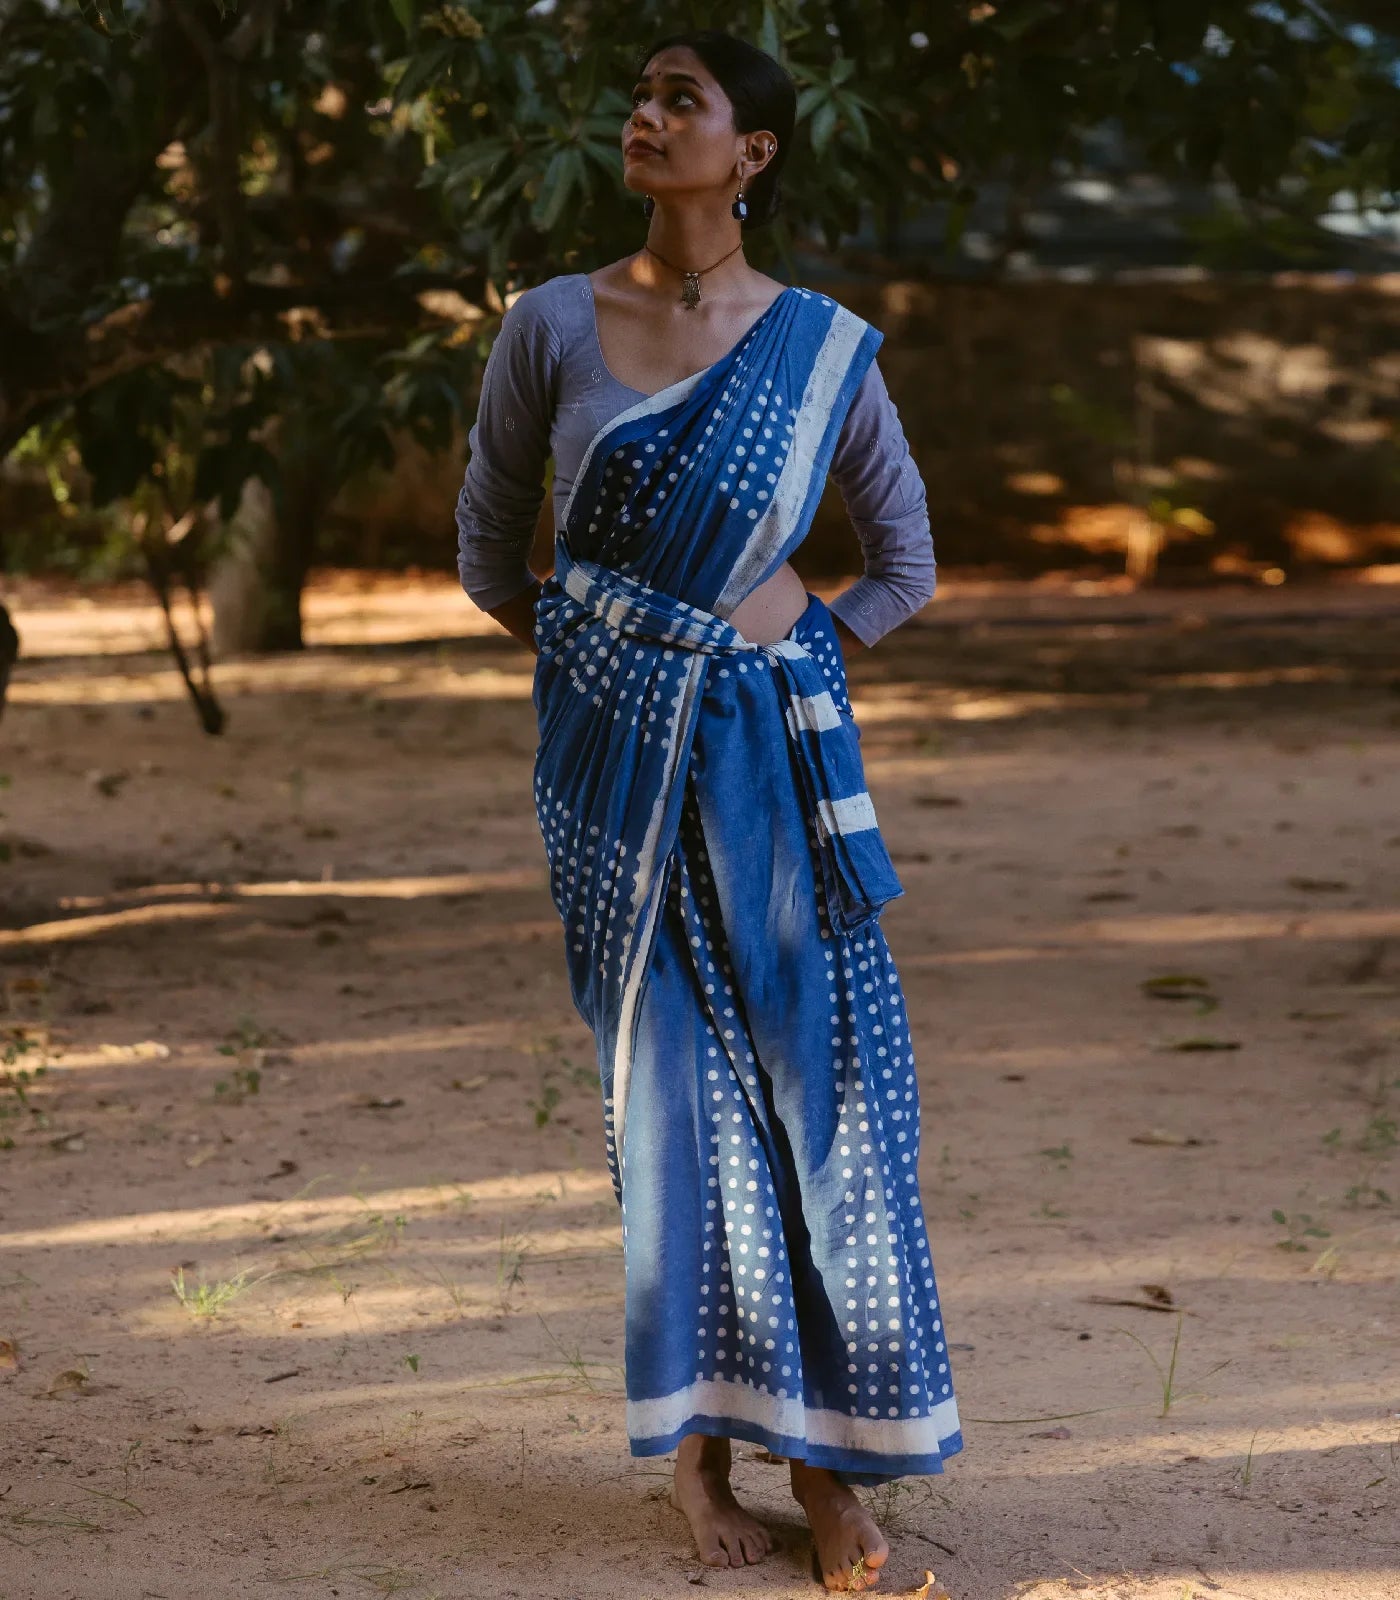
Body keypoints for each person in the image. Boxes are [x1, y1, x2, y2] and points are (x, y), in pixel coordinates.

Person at [455, 28, 960, 1591]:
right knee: (673, 1104)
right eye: (641, 93)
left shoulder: (819, 348)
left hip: (773, 777)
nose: (647, 114)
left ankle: (829, 1470)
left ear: (753, 152)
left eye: (685, 98)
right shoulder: (552, 323)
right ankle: (701, 1460)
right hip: (615, 783)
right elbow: (489, 549)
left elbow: (903, 565)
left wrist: (782, 665)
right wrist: (607, 674)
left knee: (824, 1097)